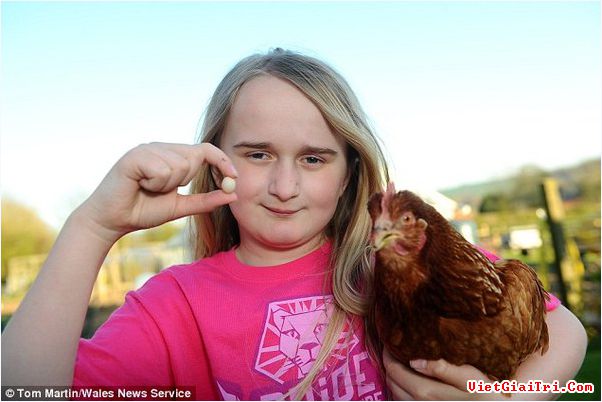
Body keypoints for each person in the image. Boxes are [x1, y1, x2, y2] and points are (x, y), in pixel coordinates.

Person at [2, 48, 587, 400]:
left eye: (313, 159)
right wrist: (92, 228)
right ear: (216, 162)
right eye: (258, 154)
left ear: (349, 171)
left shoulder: (394, 266)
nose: (284, 186)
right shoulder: (176, 306)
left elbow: (566, 331)